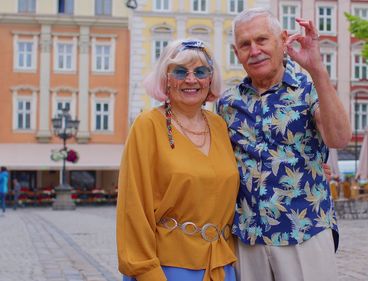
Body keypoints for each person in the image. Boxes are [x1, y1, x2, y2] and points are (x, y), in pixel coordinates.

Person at [217, 8, 351, 281]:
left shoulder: (308, 88)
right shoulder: (227, 104)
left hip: (304, 231)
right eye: (245, 44)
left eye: (262, 40)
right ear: (236, 52)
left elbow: (339, 138)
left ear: (282, 40)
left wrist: (317, 68)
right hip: (248, 239)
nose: (254, 50)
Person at [116, 39, 239, 281]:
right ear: (166, 79)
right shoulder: (147, 125)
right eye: (181, 71)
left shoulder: (219, 125)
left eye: (201, 72)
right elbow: (133, 206)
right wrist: (146, 270)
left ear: (210, 79)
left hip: (222, 265)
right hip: (170, 267)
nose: (191, 79)